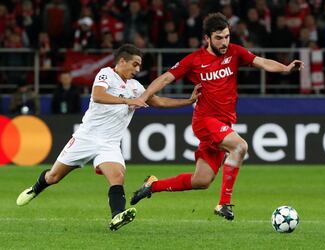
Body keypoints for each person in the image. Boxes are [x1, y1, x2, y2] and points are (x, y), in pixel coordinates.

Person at [130, 13, 304, 221]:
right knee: (240, 146)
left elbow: (262, 62)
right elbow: (166, 78)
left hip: (223, 123)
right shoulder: (195, 60)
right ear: (207, 38)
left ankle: (152, 185)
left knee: (201, 181)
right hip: (205, 121)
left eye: (227, 36)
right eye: (219, 38)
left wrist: (284, 68)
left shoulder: (235, 52)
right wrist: (144, 96)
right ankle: (224, 203)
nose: (224, 42)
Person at [16, 44, 201, 231]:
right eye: (135, 64)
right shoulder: (106, 74)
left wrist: (188, 101)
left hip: (109, 143)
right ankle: (36, 188)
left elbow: (159, 101)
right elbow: (97, 95)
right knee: (54, 177)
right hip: (86, 138)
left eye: (139, 66)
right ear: (122, 61)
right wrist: (128, 101)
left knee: (117, 176)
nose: (138, 70)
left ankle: (117, 216)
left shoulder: (136, 87)